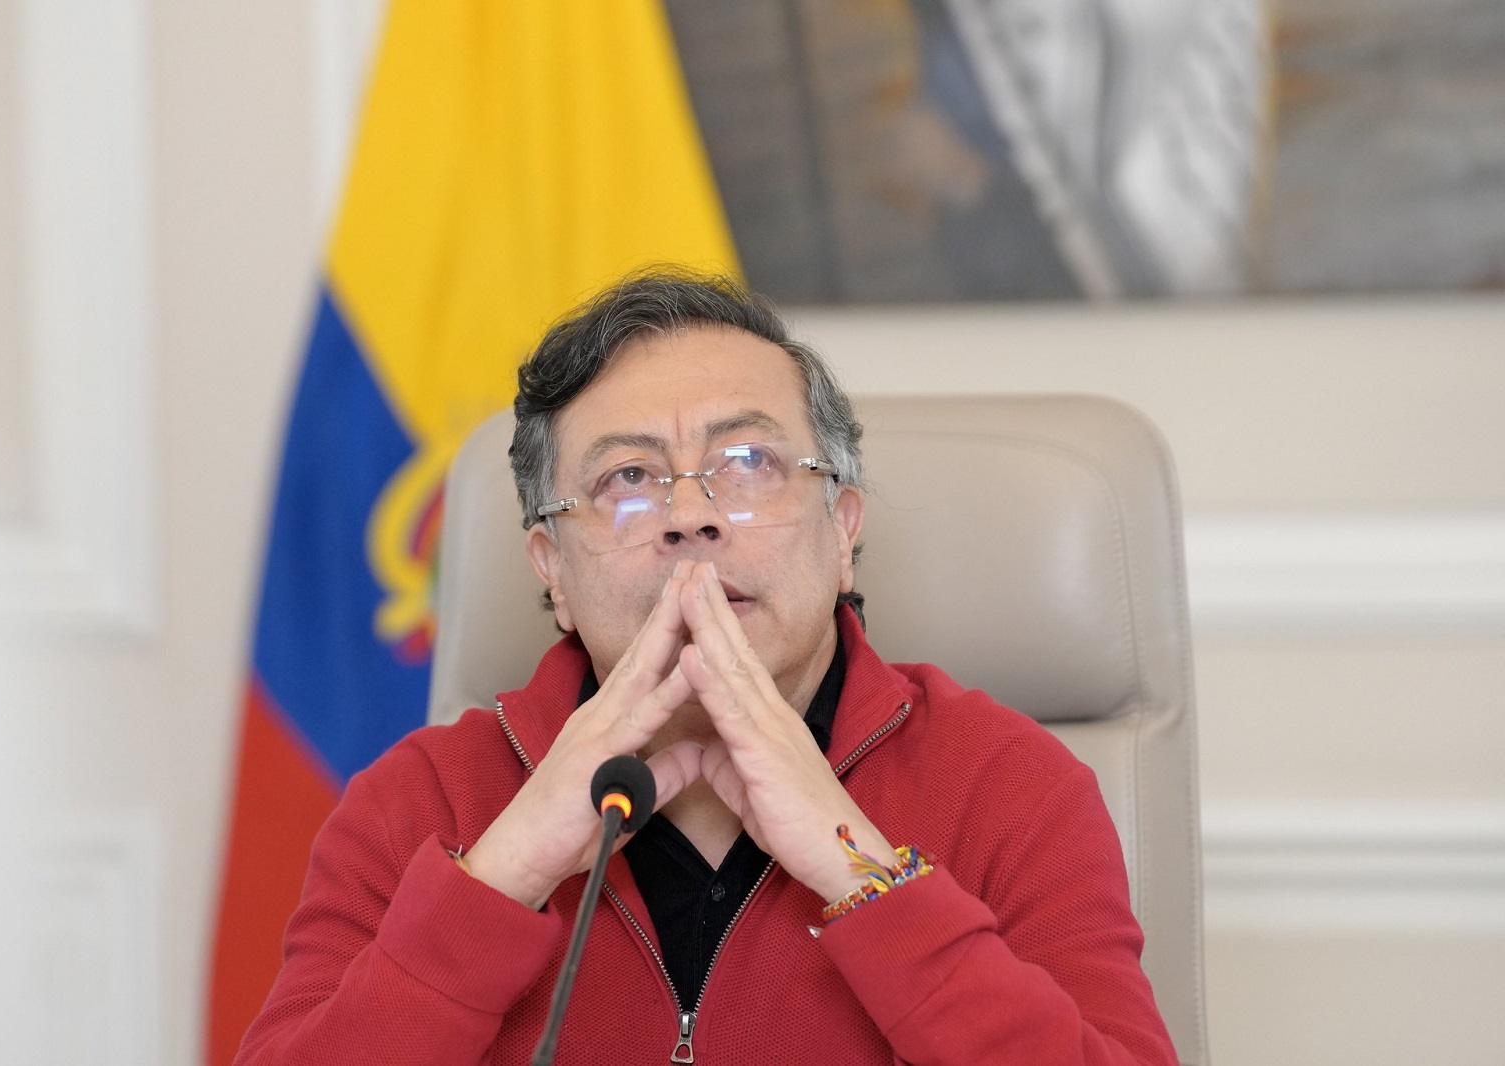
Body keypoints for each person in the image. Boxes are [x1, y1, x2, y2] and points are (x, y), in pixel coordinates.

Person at [235, 272, 1178, 1064]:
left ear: (842, 533)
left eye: (749, 461)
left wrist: (853, 863)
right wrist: (509, 868)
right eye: (628, 478)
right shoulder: (417, 806)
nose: (691, 517)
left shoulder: (1008, 787)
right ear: (552, 571)